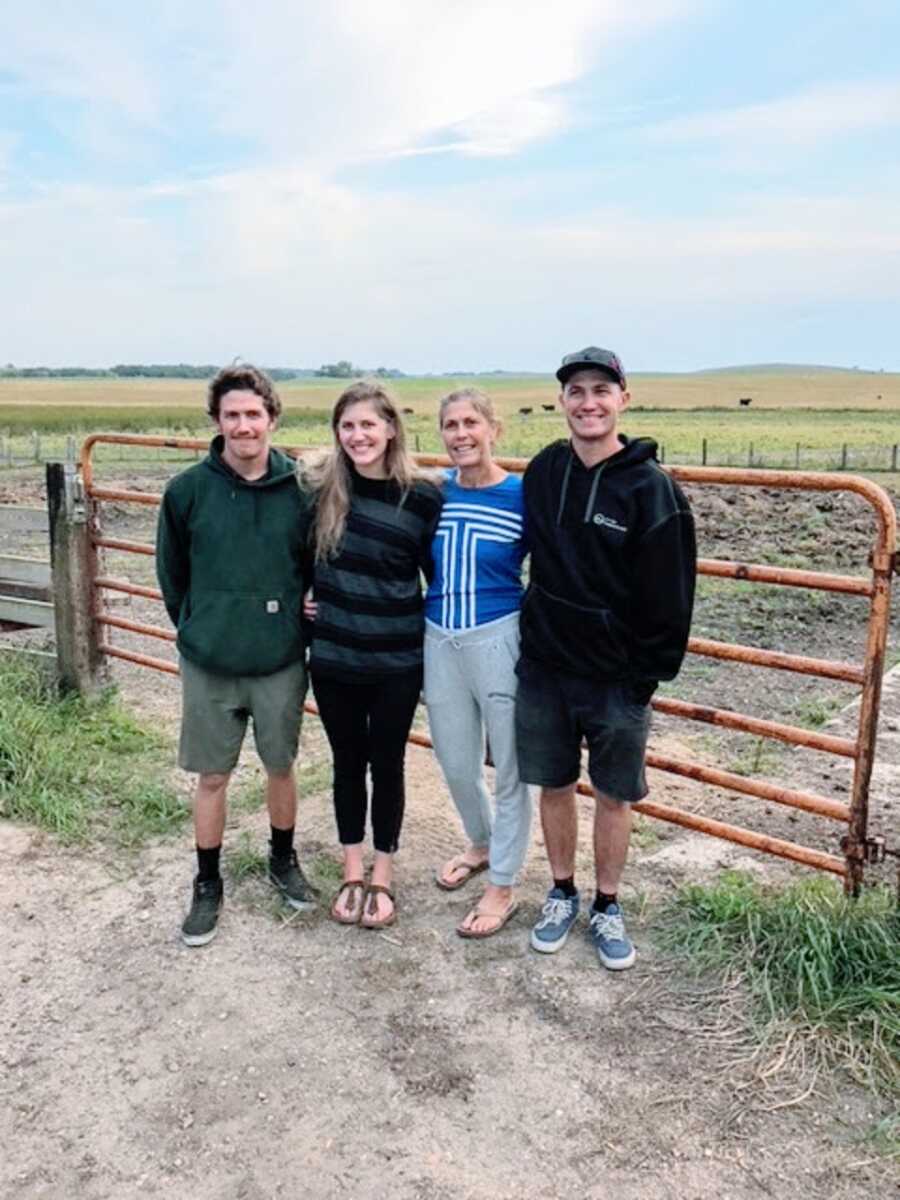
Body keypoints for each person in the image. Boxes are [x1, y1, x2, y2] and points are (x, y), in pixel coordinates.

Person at [515, 347, 695, 970]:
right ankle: (562, 891)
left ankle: (608, 904)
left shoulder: (652, 490)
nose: (588, 402)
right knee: (555, 784)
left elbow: (672, 597)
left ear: (624, 397)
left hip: (617, 681)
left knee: (615, 794)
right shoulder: (543, 471)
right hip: (543, 668)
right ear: (561, 400)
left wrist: (644, 678)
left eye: (601, 390)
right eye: (576, 391)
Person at [156, 364, 316, 947]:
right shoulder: (187, 491)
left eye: (254, 414)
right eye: (232, 415)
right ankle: (206, 881)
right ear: (217, 422)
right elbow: (172, 577)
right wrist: (202, 627)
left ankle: (282, 859)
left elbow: (313, 565)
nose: (244, 425)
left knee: (281, 766)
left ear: (272, 418)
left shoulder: (302, 487)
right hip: (210, 663)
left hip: (278, 660)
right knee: (213, 776)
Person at [304, 380, 443, 929]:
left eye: (368, 424)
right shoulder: (319, 489)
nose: (358, 435)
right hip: (335, 657)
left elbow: (439, 575)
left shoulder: (424, 495)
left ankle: (383, 874)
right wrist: (300, 597)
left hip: (396, 661)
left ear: (390, 429)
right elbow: (295, 558)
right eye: (347, 425)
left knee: (387, 765)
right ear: (337, 433)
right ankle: (351, 869)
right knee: (346, 763)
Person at [424, 388, 531, 938]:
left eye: (471, 423)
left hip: (499, 637)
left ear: (494, 429)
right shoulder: (433, 493)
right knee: (455, 759)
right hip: (438, 637)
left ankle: (504, 882)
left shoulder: (521, 495)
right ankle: (482, 842)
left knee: (511, 764)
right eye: (450, 425)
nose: (461, 434)